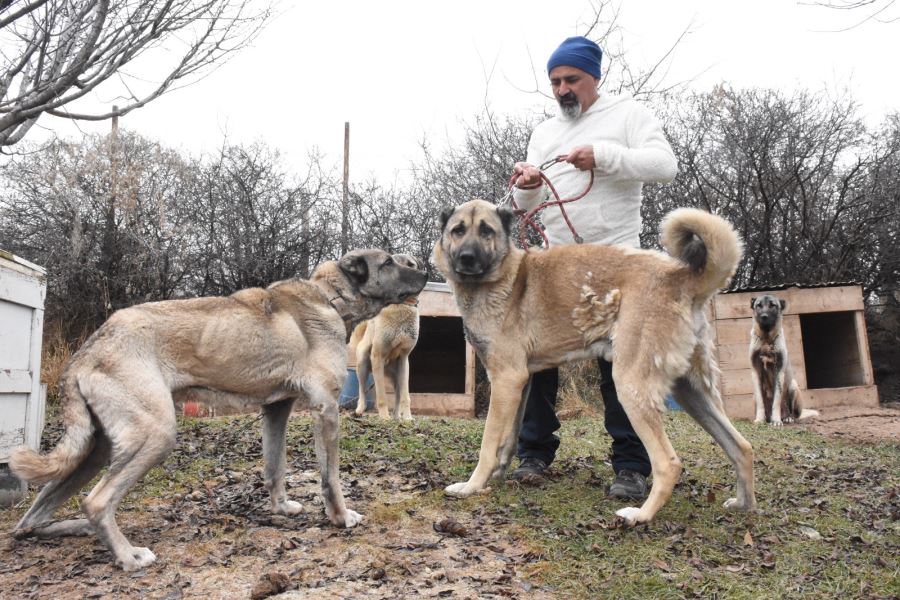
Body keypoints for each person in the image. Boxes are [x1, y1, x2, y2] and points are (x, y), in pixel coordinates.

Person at [508, 36, 678, 499]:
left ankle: (631, 466)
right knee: (535, 357)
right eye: (555, 82)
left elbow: (665, 165)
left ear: (595, 77)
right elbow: (528, 203)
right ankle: (533, 455)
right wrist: (528, 184)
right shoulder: (544, 132)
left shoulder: (629, 114)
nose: (562, 89)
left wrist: (603, 157)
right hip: (555, 267)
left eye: (572, 79)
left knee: (621, 364)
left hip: (616, 265)